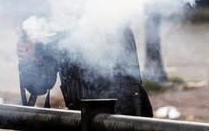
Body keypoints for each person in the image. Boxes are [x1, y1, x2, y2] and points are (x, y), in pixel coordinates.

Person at [17, 16, 153, 116]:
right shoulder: (58, 28)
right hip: (82, 116)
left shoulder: (110, 15)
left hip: (120, 113)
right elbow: (40, 85)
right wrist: (31, 59)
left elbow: (96, 46)